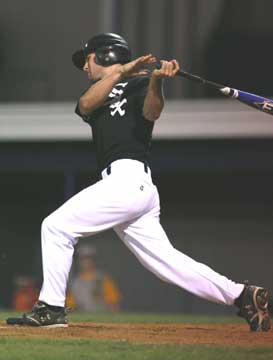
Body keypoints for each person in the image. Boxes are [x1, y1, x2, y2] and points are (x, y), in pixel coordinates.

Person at [6, 33, 270, 330]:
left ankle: (52, 308)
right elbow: (85, 105)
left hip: (129, 180)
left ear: (105, 55)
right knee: (166, 263)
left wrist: (158, 80)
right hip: (128, 187)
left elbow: (152, 112)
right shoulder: (98, 91)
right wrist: (121, 71)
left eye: (88, 58)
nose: (84, 67)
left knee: (54, 227)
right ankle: (241, 295)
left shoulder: (141, 83)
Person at [66, 244, 121, 312]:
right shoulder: (75, 282)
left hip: (102, 319)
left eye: (88, 258)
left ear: (93, 260)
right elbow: (70, 307)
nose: (85, 261)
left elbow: (114, 304)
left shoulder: (103, 279)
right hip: (81, 319)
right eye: (82, 258)